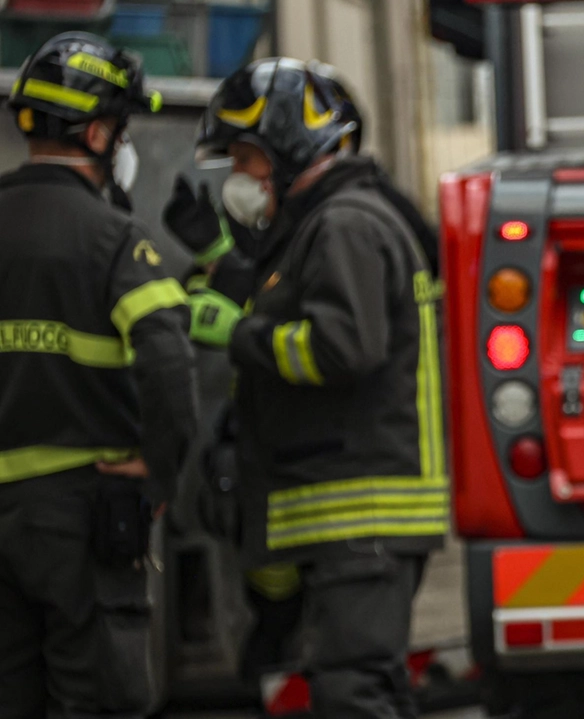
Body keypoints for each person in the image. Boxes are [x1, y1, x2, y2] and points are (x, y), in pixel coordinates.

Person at [185, 57, 447, 719]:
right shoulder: (325, 223)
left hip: (364, 510)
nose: (239, 177)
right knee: (356, 688)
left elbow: (341, 347)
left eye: (245, 157)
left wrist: (240, 335)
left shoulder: (346, 225)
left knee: (354, 693)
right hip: (347, 510)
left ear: (288, 145)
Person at [0, 32, 198, 719]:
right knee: (96, 701)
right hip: (84, 516)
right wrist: (159, 470)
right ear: (95, 131)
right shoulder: (115, 239)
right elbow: (169, 362)